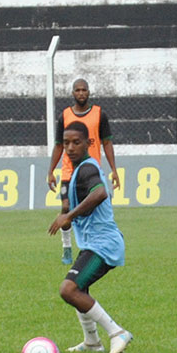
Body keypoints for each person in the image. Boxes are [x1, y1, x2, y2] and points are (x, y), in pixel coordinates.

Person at [47, 122, 132, 353]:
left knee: (69, 289)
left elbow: (100, 193)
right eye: (66, 143)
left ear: (88, 144)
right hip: (94, 243)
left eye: (76, 142)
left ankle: (117, 333)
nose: (71, 147)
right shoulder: (77, 171)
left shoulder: (86, 168)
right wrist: (68, 211)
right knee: (80, 288)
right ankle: (92, 341)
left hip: (103, 245)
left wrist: (69, 216)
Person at [47, 78, 120, 265]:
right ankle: (66, 248)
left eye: (84, 90)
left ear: (89, 92)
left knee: (90, 210)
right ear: (72, 93)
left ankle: (92, 246)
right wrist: (50, 171)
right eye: (77, 90)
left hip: (89, 173)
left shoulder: (99, 114)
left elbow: (107, 143)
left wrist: (114, 170)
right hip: (68, 172)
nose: (81, 93)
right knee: (65, 207)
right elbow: (58, 146)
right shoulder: (65, 116)